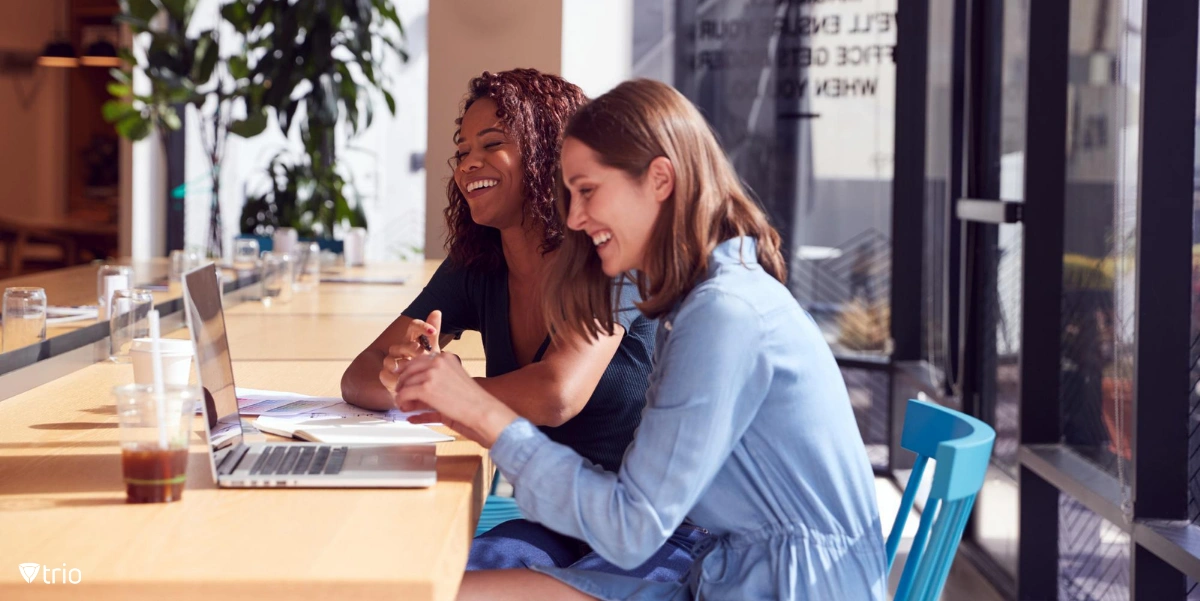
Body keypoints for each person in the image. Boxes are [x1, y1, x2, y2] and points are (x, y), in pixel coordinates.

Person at [390, 78, 888, 600]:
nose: (575, 218)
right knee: (432, 588)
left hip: (780, 589)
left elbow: (631, 529)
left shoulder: (725, 314)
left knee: (428, 591)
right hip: (722, 576)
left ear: (659, 180)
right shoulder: (704, 299)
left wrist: (483, 412)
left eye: (587, 192)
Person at [340, 69, 702, 580]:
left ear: (550, 153)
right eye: (462, 151)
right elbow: (360, 376)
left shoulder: (606, 252)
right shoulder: (477, 262)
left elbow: (557, 393)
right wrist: (404, 376)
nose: (470, 165)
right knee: (413, 568)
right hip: (563, 517)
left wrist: (447, 391)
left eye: (493, 144)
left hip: (654, 528)